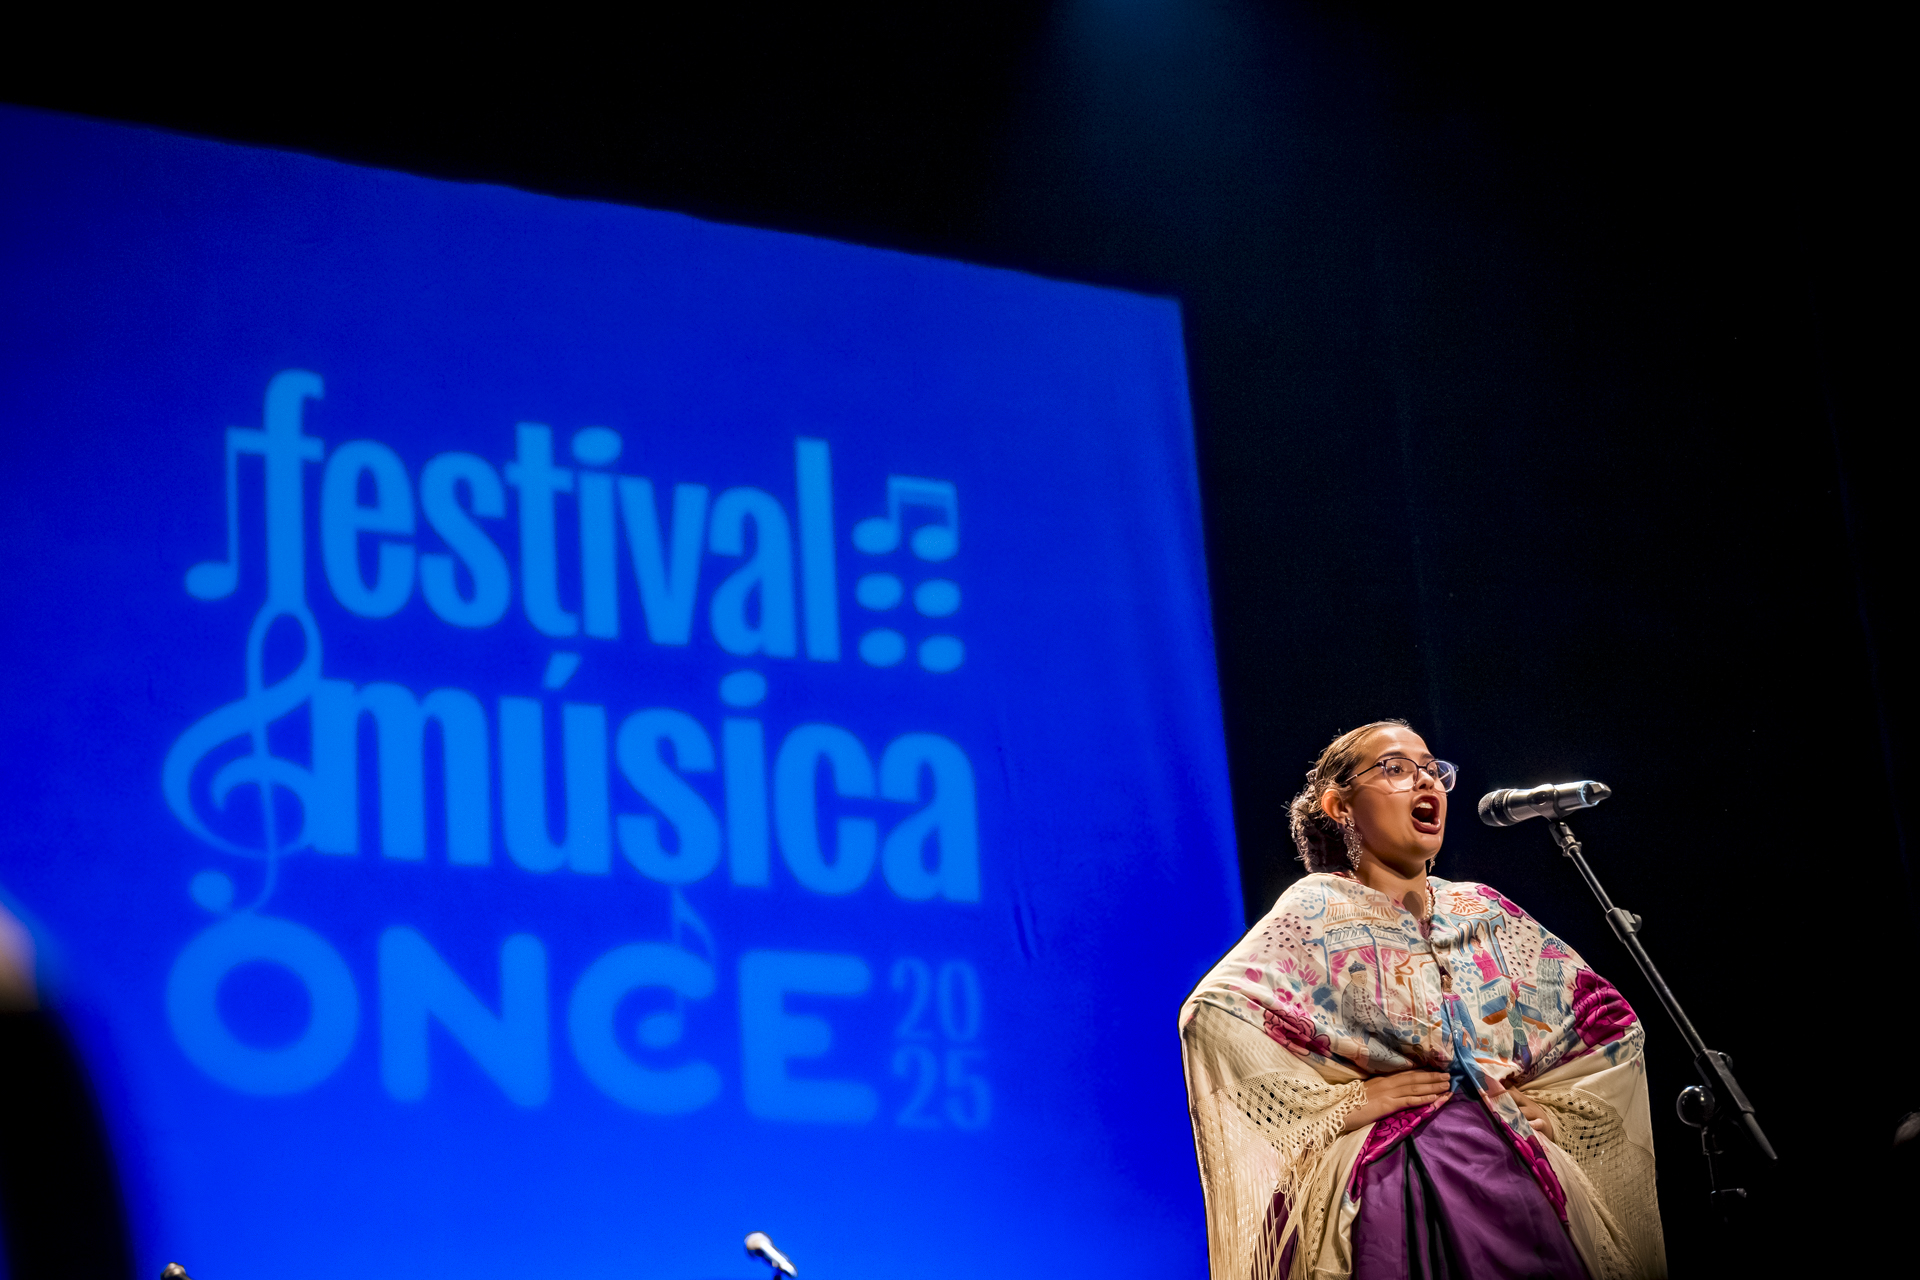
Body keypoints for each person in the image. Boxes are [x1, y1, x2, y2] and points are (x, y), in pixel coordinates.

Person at [1179, 721, 1665, 1279]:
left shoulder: (1481, 912)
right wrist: (1350, 1106)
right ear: (1339, 805)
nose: (1425, 781)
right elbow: (1218, 1015)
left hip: (1515, 1179)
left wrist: (1552, 1118)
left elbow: (1606, 1022)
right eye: (1395, 768)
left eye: (1433, 770)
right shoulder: (1316, 909)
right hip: (1397, 1185)